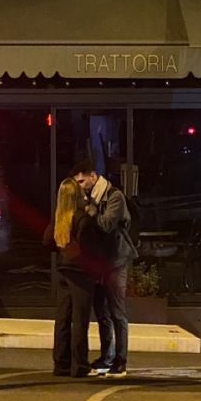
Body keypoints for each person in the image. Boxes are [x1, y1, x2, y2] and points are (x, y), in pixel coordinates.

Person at [72, 160, 138, 377]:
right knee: (102, 312)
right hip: (101, 261)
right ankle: (106, 356)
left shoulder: (114, 196)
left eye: (82, 181)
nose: (81, 186)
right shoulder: (91, 197)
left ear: (93, 176)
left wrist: (90, 212)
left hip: (116, 260)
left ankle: (121, 360)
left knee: (117, 312)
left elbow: (108, 224)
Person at [43, 177, 104, 378]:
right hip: (81, 275)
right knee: (80, 321)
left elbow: (47, 242)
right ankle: (79, 365)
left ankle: (61, 364)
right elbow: (92, 247)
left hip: (63, 271)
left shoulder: (59, 218)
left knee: (62, 319)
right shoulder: (82, 218)